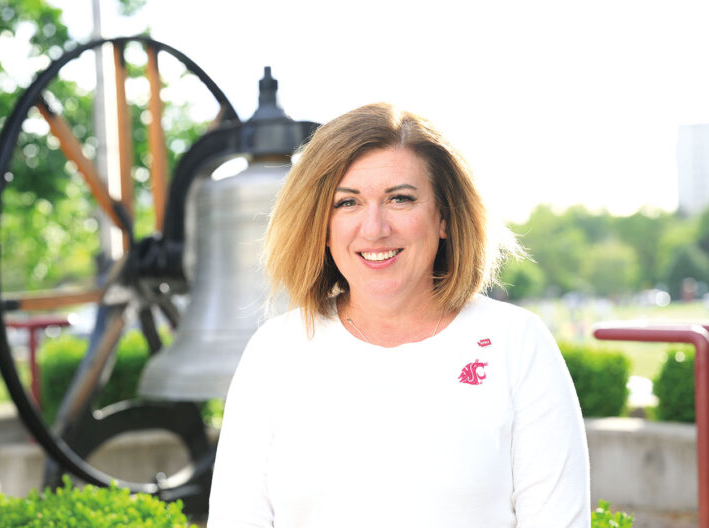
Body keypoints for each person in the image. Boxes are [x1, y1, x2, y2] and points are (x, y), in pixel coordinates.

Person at [207, 103, 590, 527]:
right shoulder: (275, 352)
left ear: (443, 217)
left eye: (400, 199)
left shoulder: (516, 343)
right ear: (321, 224)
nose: (374, 228)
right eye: (348, 202)